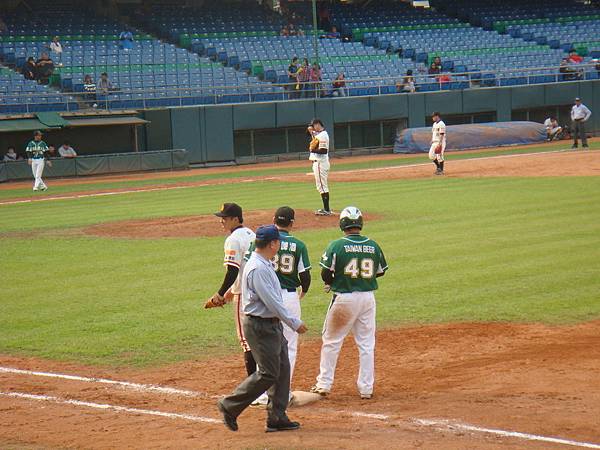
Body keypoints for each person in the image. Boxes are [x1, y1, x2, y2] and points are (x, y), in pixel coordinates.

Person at [217, 224, 307, 433]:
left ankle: (277, 416)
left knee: (282, 369)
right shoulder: (258, 268)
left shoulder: (263, 263)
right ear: (272, 244)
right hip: (261, 326)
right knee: (268, 373)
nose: (279, 244)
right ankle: (229, 405)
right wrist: (294, 322)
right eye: (278, 242)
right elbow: (272, 302)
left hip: (271, 325)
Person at [311, 206, 388, 399]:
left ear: (342, 224)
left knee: (332, 341)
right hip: (368, 298)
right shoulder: (373, 245)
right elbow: (380, 271)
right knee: (366, 343)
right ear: (360, 223)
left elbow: (325, 272)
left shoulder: (337, 245)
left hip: (344, 299)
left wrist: (331, 282)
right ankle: (366, 388)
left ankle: (324, 384)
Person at [244, 206, 311, 403]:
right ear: (292, 223)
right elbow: (305, 276)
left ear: (274, 219)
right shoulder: (298, 245)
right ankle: (283, 393)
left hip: (260, 298)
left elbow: (246, 267)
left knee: (263, 348)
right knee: (288, 347)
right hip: (288, 297)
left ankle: (262, 394)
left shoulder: (259, 243)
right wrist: (303, 291)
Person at [204, 203, 257, 377]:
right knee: (260, 338)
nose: (222, 221)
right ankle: (265, 383)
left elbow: (233, 271)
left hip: (244, 294)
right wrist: (228, 294)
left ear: (235, 219)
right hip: (259, 290)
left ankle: (254, 387)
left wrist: (220, 293)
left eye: (225, 218)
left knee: (246, 341)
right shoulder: (251, 234)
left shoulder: (233, 239)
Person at [307, 118, 331, 215]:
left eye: (313, 126)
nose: (312, 128)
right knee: (321, 186)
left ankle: (326, 210)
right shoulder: (318, 134)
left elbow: (324, 151)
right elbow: (308, 133)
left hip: (320, 163)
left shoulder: (323, 135)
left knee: (322, 187)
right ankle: (326, 209)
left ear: (317, 125)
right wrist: (310, 130)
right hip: (319, 163)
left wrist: (312, 150)